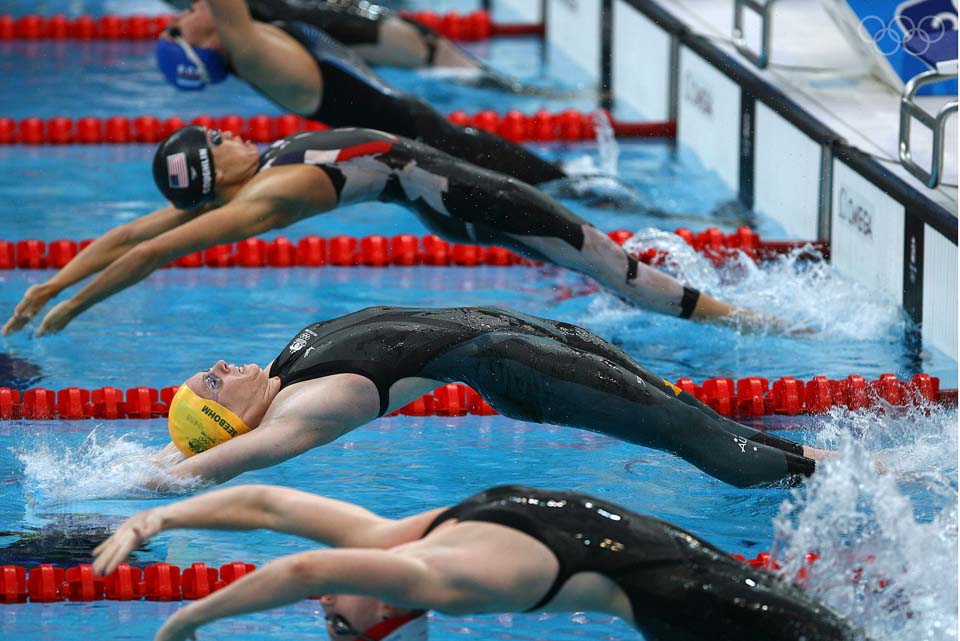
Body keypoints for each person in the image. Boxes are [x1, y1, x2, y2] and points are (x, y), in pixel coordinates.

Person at [5, 126, 749, 337]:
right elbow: (153, 249)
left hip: (452, 203)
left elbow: (130, 231)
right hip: (474, 199)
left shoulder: (253, 171)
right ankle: (753, 320)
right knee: (613, 269)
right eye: (216, 141)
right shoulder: (268, 194)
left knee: (600, 270)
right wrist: (77, 306)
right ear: (216, 176)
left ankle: (723, 309)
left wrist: (51, 280)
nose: (229, 132)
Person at [144, 305, 817, 488]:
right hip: (528, 370)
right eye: (212, 381)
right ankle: (851, 476)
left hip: (529, 336)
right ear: (232, 415)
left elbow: (205, 437)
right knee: (690, 435)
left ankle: (817, 463)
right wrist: (154, 483)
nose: (217, 364)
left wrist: (153, 452)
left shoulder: (278, 370)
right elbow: (235, 454)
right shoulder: (302, 409)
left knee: (690, 415)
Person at [91, 484, 868, 641]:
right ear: (389, 614)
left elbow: (271, 510)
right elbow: (309, 571)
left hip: (696, 573)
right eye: (336, 624)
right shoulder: (447, 581)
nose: (327, 601)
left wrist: (157, 515)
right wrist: (189, 617)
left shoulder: (410, 535)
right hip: (695, 606)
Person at [154, 0, 565, 185]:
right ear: (203, 48)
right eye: (176, 29)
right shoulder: (253, 56)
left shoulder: (252, 46)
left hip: (425, 134)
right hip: (432, 141)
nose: (178, 15)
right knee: (556, 186)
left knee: (556, 183)